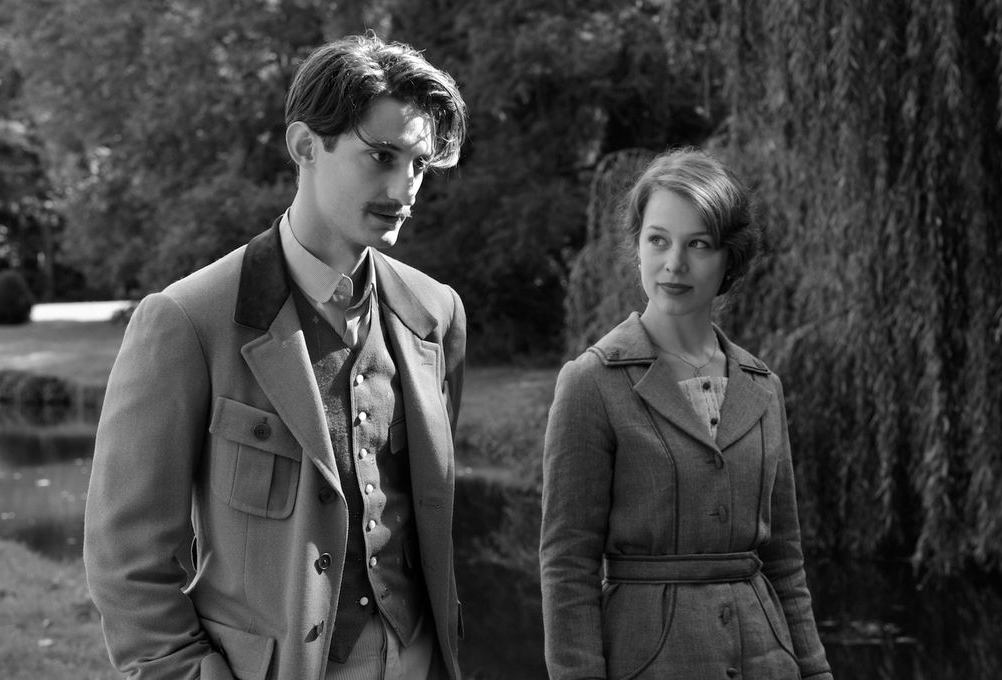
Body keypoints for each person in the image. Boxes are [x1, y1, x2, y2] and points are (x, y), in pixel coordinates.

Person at [84, 33, 468, 680]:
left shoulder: (438, 314)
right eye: (381, 156)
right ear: (305, 146)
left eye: (419, 165)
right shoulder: (186, 321)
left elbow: (431, 515)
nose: (404, 186)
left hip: (420, 659)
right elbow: (127, 562)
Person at [539, 148, 833, 679]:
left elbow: (786, 562)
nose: (674, 263)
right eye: (658, 240)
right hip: (649, 660)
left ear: (729, 259)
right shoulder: (592, 382)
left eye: (698, 244)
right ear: (638, 248)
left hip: (769, 661)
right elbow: (567, 566)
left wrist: (815, 671)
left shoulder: (763, 386)